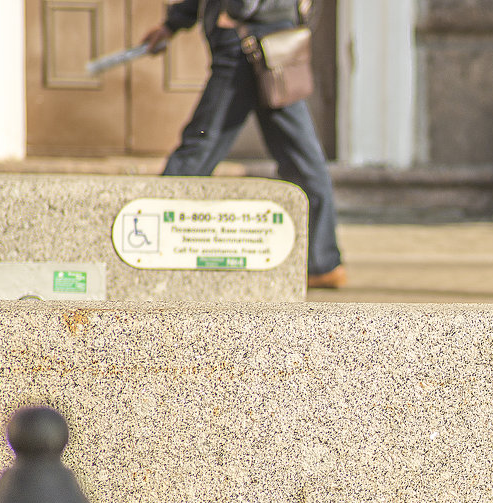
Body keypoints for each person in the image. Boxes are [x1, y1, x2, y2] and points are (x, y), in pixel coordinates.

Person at [141, 0, 345, 288]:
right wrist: (173, 23)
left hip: (246, 40)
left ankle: (145, 246)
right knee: (300, 156)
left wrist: (235, 12)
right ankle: (323, 262)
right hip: (271, 39)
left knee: (198, 149)